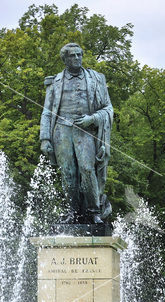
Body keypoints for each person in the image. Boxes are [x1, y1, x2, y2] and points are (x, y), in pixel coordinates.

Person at [39, 42, 113, 224]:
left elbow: (108, 108)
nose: (77, 58)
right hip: (61, 130)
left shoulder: (96, 79)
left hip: (85, 129)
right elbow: (47, 112)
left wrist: (92, 119)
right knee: (68, 173)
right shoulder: (55, 82)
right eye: (73, 56)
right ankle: (73, 212)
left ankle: (94, 211)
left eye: (79, 55)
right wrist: (45, 138)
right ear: (65, 59)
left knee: (87, 169)